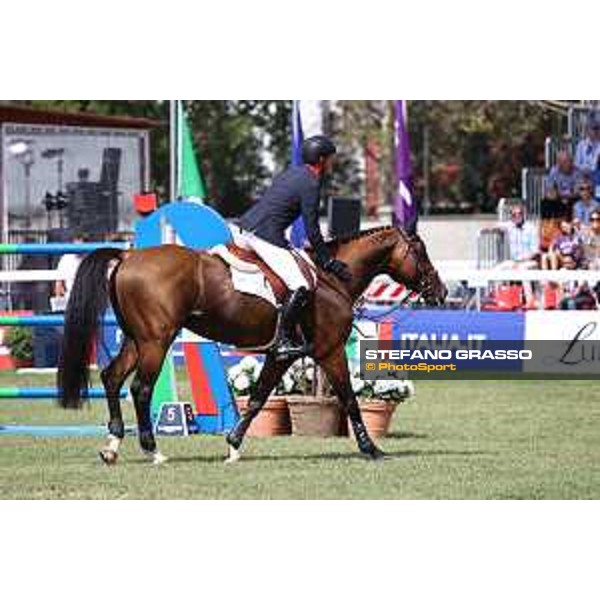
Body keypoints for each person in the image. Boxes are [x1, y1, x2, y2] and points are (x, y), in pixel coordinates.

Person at [234, 135, 351, 359]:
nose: (332, 164)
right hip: (264, 236)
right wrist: (328, 260)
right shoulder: (311, 182)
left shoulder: (291, 173)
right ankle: (283, 340)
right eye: (330, 159)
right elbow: (312, 228)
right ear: (321, 159)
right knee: (301, 284)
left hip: (244, 228)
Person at [498, 204, 541, 308]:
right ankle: (500, 299)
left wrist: (521, 262)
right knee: (499, 269)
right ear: (511, 216)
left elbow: (535, 252)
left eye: (519, 214)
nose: (517, 216)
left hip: (529, 261)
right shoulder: (510, 225)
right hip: (514, 261)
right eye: (514, 214)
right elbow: (496, 225)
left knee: (522, 270)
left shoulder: (531, 228)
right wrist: (492, 230)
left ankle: (530, 301)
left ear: (523, 215)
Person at [52, 234, 85, 310]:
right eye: (76, 245)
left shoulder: (90, 259)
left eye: (81, 245)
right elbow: (58, 286)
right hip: (70, 300)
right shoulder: (66, 258)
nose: (78, 248)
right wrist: (61, 301)